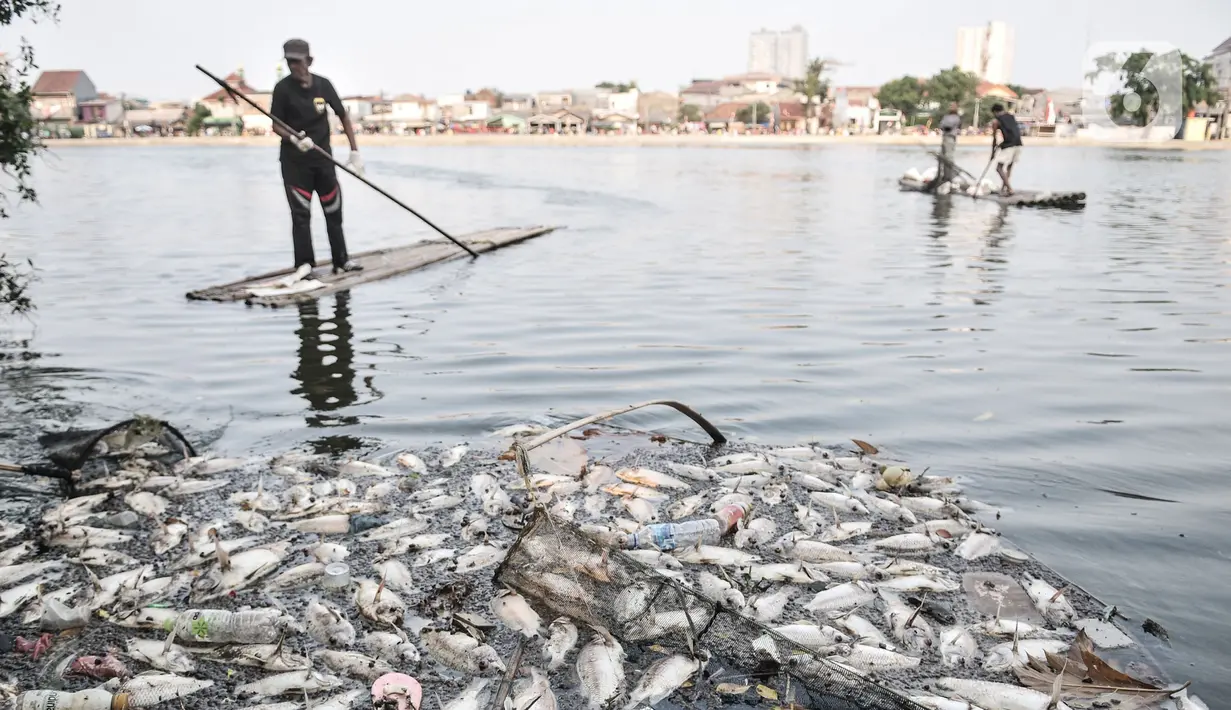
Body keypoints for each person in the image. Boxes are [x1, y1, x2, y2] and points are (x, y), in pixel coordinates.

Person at [271, 38, 364, 280]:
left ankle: (341, 261)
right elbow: (276, 125)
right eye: (289, 62)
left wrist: (354, 151)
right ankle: (304, 265)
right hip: (295, 163)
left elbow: (343, 115)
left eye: (297, 62)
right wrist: (293, 138)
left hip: (323, 160)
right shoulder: (282, 89)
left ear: (309, 61)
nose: (293, 67)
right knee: (300, 215)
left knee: (333, 210)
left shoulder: (324, 86)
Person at [989, 104, 1023, 196]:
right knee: (1009, 167)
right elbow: (1012, 132)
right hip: (1019, 143)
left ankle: (1009, 189)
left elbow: (994, 138)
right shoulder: (1011, 117)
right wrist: (1001, 144)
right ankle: (1004, 189)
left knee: (998, 168)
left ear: (995, 112)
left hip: (1009, 145)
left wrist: (992, 153)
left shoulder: (996, 121)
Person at [933, 102, 962, 191]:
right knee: (941, 157)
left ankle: (949, 177)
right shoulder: (946, 117)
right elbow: (941, 125)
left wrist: (944, 126)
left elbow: (948, 126)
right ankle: (941, 176)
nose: (951, 107)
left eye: (953, 106)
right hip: (945, 137)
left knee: (948, 158)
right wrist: (943, 126)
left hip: (950, 138)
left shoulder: (956, 118)